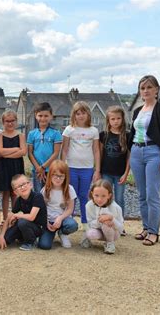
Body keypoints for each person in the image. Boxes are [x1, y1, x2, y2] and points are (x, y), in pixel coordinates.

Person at [129, 75, 160, 246]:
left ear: (156, 90)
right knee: (142, 195)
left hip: (154, 152)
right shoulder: (137, 111)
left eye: (148, 87)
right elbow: (132, 134)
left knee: (152, 195)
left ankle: (154, 232)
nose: (145, 91)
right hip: (136, 152)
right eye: (142, 88)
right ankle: (146, 228)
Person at [61, 101, 100, 248]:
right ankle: (67, 224)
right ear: (74, 115)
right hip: (71, 167)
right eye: (78, 113)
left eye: (83, 112)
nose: (81, 115)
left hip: (87, 168)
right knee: (70, 196)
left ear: (88, 114)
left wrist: (97, 170)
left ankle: (86, 225)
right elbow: (64, 150)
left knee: (84, 196)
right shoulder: (69, 130)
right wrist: (62, 167)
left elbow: (96, 150)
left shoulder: (93, 131)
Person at [99, 105, 130, 235]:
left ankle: (120, 225)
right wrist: (98, 171)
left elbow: (129, 156)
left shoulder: (127, 136)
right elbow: (100, 154)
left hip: (120, 174)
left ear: (122, 119)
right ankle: (103, 223)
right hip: (106, 173)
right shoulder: (104, 135)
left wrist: (126, 173)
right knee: (104, 199)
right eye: (113, 119)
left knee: (119, 199)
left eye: (118, 118)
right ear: (108, 120)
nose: (116, 121)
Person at [0, 174, 47, 251]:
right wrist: (1, 235)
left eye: (24, 184)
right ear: (15, 192)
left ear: (30, 184)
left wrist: (17, 215)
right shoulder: (19, 200)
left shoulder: (37, 196)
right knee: (6, 239)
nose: (22, 187)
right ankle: (23, 237)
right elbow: (8, 217)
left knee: (22, 221)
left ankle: (30, 241)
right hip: (27, 225)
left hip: (38, 228)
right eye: (19, 186)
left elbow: (31, 217)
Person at [38, 160, 78, 250]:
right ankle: (46, 234)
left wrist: (60, 218)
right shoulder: (45, 190)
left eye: (61, 176)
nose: (58, 179)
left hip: (63, 220)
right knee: (44, 245)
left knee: (72, 224)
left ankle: (62, 233)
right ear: (50, 175)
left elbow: (70, 209)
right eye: (55, 175)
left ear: (65, 177)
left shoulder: (69, 189)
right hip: (49, 221)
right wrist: (46, 222)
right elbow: (42, 209)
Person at [0, 110, 27, 221]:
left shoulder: (20, 136)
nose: (10, 123)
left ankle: (14, 217)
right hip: (4, 167)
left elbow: (23, 152)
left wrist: (6, 154)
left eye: (12, 121)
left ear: (16, 121)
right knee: (5, 193)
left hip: (16, 166)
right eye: (7, 121)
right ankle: (5, 218)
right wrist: (15, 149)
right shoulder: (0, 136)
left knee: (15, 193)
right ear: (3, 122)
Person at [27, 102, 62, 192]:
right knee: (38, 193)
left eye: (46, 116)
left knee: (50, 193)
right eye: (40, 115)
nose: (43, 118)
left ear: (51, 116)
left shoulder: (56, 133)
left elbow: (56, 153)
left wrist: (43, 167)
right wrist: (38, 168)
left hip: (51, 170)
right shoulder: (31, 134)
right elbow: (30, 153)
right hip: (36, 170)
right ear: (36, 116)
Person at [84, 179, 124, 254]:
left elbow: (121, 228)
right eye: (96, 195)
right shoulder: (89, 205)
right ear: (92, 193)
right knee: (90, 233)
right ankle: (87, 238)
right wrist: (100, 220)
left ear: (109, 195)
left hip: (113, 233)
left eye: (103, 196)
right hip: (97, 230)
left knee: (106, 223)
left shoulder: (116, 207)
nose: (99, 199)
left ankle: (110, 243)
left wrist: (112, 219)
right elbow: (89, 223)